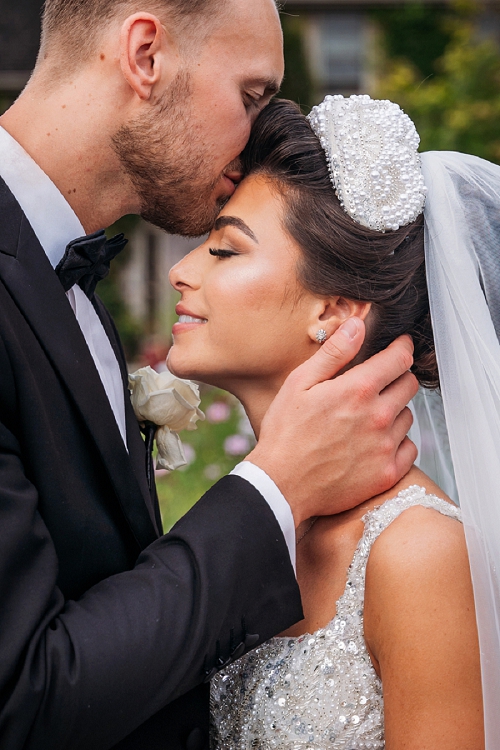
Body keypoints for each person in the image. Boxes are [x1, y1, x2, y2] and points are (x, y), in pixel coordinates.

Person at [0, 3, 419, 749]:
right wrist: (276, 489)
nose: (257, 132)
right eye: (251, 94)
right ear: (146, 56)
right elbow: (22, 697)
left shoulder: (68, 286)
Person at [167, 96, 499, 748]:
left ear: (336, 312)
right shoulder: (249, 516)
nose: (182, 271)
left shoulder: (416, 553)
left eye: (224, 251)